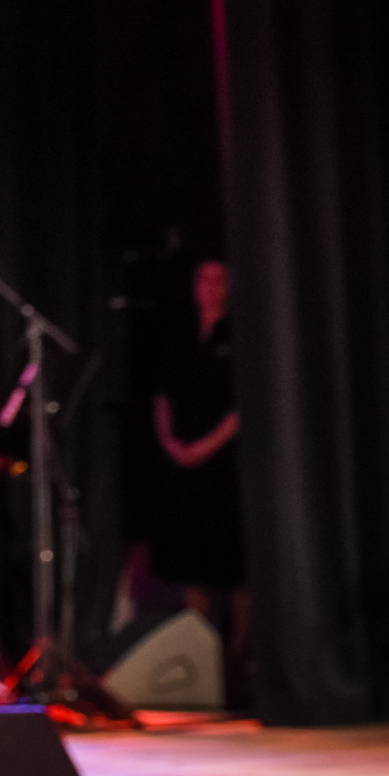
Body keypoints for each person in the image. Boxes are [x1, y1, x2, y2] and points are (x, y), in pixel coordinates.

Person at [151, 259, 248, 685]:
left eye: (218, 279)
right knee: (191, 560)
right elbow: (163, 396)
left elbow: (241, 406)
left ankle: (237, 660)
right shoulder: (181, 338)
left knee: (235, 563)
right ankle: (201, 658)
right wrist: (171, 442)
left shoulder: (239, 336)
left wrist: (205, 448)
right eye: (202, 278)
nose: (208, 286)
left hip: (224, 463)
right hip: (183, 463)